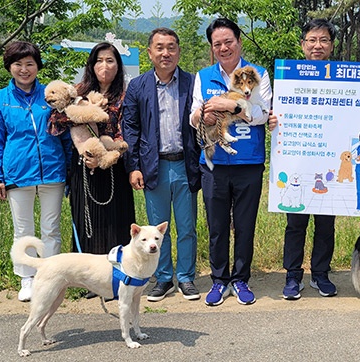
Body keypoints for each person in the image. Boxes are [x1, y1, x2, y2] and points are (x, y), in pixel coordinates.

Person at [268, 19, 360, 300]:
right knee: (295, 223)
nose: (317, 45)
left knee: (325, 223)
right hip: (297, 161)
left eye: (323, 40)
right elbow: (273, 113)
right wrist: (272, 121)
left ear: (332, 46)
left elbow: (356, 119)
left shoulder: (348, 78)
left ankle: (320, 273)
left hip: (329, 163)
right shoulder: (289, 77)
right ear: (302, 44)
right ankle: (293, 275)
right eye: (311, 40)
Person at [189, 18, 271, 306]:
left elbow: (264, 113)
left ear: (239, 42)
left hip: (249, 162)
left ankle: (241, 279)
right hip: (214, 164)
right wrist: (204, 116)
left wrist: (233, 106)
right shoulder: (203, 76)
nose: (224, 48)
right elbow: (193, 115)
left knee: (245, 225)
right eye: (217, 44)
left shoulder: (258, 74)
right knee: (217, 225)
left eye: (229, 42)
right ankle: (219, 280)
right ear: (212, 48)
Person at [48, 42, 136, 299]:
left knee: (115, 223)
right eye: (99, 60)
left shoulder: (126, 95)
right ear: (91, 64)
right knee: (89, 223)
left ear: (118, 65)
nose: (104, 66)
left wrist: (109, 154)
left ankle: (117, 280)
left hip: (114, 166)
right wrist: (86, 115)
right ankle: (89, 283)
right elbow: (55, 123)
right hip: (83, 167)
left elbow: (126, 131)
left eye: (110, 60)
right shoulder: (77, 91)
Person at [0, 41, 71, 302]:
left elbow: (67, 135)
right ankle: (27, 278)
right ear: (9, 67)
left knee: (51, 228)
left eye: (29, 64)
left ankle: (52, 278)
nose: (24, 69)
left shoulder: (51, 95)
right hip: (17, 174)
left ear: (37, 66)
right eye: (18, 64)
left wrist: (69, 171)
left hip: (53, 171)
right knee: (23, 230)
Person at [122, 28, 202, 302]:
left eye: (171, 47)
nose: (165, 53)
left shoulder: (193, 83)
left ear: (178, 51)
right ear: (150, 53)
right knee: (156, 230)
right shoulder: (138, 86)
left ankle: (186, 277)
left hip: (185, 164)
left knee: (186, 226)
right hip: (153, 167)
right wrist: (133, 166)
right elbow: (130, 128)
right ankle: (164, 277)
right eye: (159, 47)